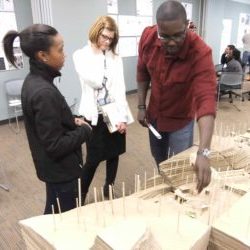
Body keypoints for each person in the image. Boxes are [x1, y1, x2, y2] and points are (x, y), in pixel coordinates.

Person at [3, 24, 92, 214]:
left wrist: (71, 120)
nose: (65, 54)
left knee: (54, 211)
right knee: (64, 218)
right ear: (42, 56)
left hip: (53, 170)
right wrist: (84, 130)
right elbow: (55, 145)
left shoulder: (35, 81)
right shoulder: (43, 92)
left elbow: (49, 123)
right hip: (62, 172)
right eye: (60, 50)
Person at [136, 0, 216, 193]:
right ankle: (167, 190)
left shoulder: (200, 52)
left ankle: (177, 195)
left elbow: (206, 100)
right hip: (154, 116)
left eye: (178, 35)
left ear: (187, 25)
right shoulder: (148, 37)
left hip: (180, 120)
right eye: (165, 36)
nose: (171, 42)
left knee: (178, 167)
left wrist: (204, 152)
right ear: (157, 30)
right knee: (160, 159)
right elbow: (142, 71)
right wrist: (141, 106)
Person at [73, 16, 132, 200]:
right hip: (94, 114)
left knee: (114, 154)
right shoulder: (81, 55)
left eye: (111, 39)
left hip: (114, 113)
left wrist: (122, 117)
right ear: (96, 32)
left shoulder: (115, 57)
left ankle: (109, 187)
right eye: (104, 37)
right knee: (93, 158)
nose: (107, 41)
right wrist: (99, 54)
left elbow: (120, 88)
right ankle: (80, 194)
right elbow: (95, 80)